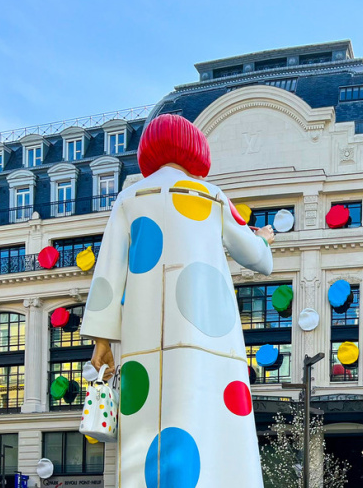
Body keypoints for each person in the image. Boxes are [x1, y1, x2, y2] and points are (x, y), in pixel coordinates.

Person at [80, 114, 274, 488]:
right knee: (217, 433)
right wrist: (264, 237)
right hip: (211, 340)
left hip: (144, 342)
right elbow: (258, 258)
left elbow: (107, 272)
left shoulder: (130, 197)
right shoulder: (212, 196)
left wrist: (102, 342)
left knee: (146, 442)